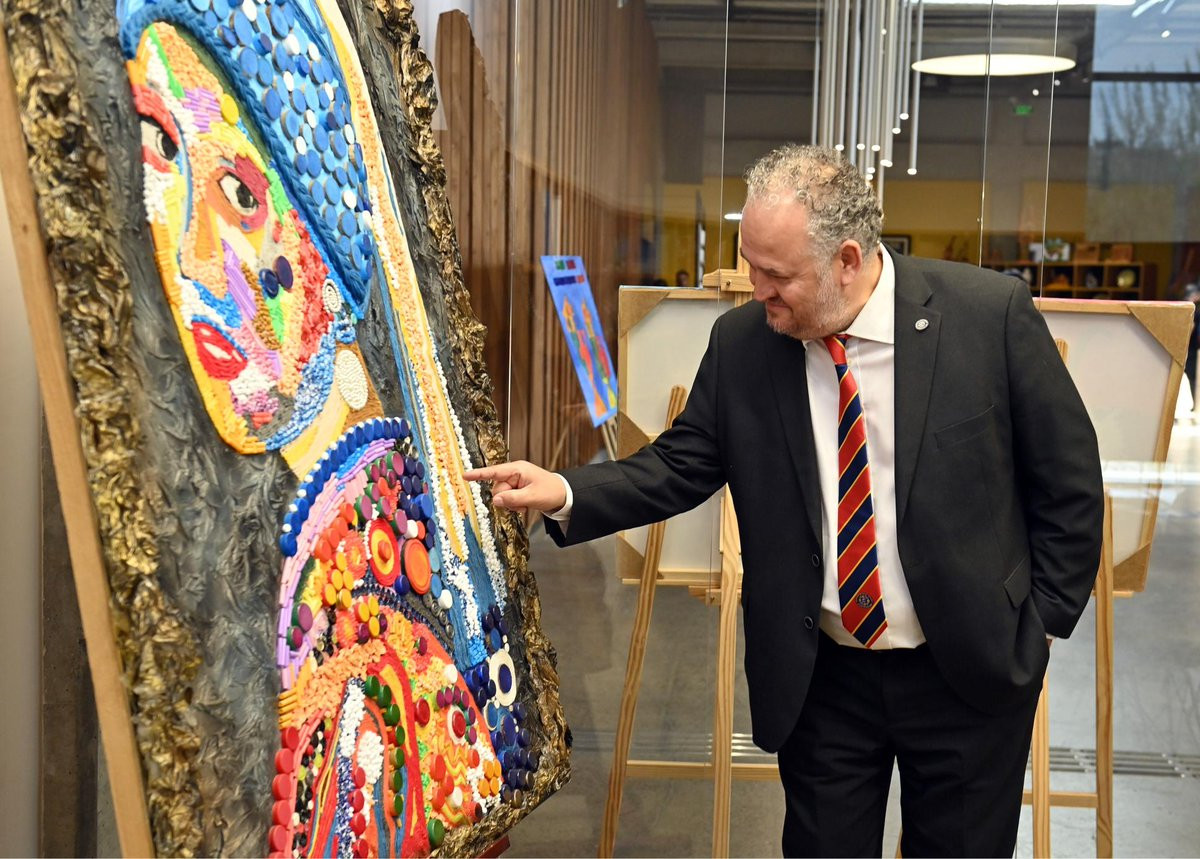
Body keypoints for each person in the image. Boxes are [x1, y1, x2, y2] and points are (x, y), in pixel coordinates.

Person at [466, 144, 1103, 857]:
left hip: (968, 668)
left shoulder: (986, 316)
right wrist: (564, 489)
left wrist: (1040, 623)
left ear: (848, 261)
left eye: (777, 275)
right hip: (824, 678)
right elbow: (680, 463)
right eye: (751, 265)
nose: (757, 289)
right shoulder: (745, 344)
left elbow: (1070, 481)